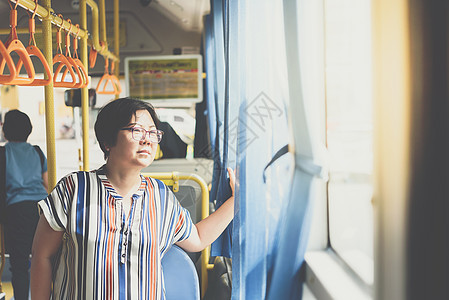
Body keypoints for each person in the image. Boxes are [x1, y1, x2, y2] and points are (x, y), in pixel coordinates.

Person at [30, 98, 235, 300]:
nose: (147, 139)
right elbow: (42, 256)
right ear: (108, 141)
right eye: (136, 130)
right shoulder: (73, 189)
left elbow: (197, 238)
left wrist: (235, 202)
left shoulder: (162, 196)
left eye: (153, 132)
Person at [1, 110, 48, 300]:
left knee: (19, 265)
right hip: (41, 211)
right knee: (43, 259)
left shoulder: (3, 153)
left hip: (15, 212)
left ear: (5, 130)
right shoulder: (37, 151)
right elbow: (46, 184)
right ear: (29, 130)